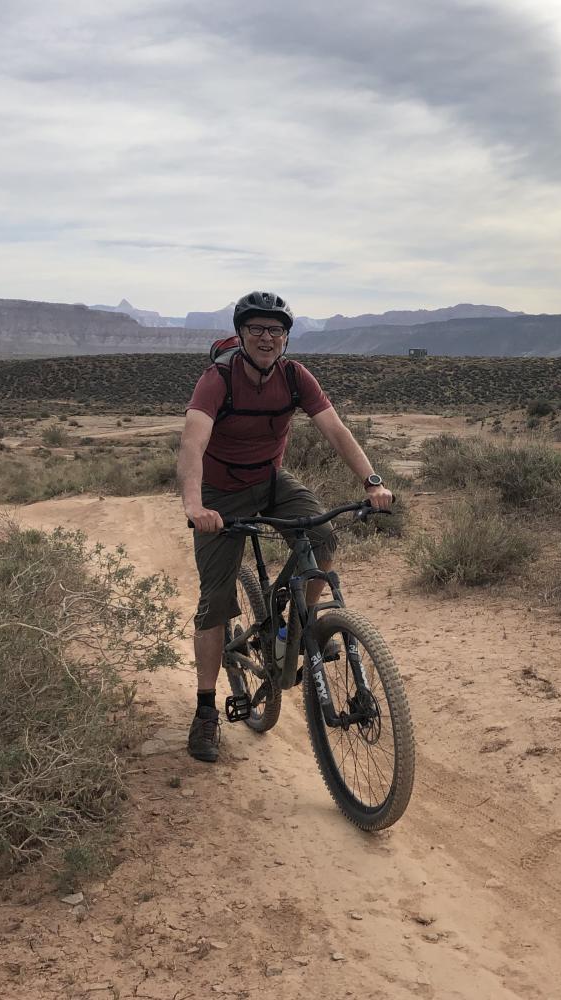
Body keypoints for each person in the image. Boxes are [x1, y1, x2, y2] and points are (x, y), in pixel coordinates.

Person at [178, 291, 393, 763]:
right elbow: (193, 444)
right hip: (218, 493)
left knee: (323, 537)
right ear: (241, 333)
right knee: (215, 601)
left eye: (275, 330)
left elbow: (335, 430)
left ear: (286, 337)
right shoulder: (218, 380)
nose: (266, 337)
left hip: (270, 481)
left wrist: (372, 481)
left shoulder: (295, 377)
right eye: (256, 328)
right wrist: (195, 504)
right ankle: (206, 711)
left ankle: (286, 626)